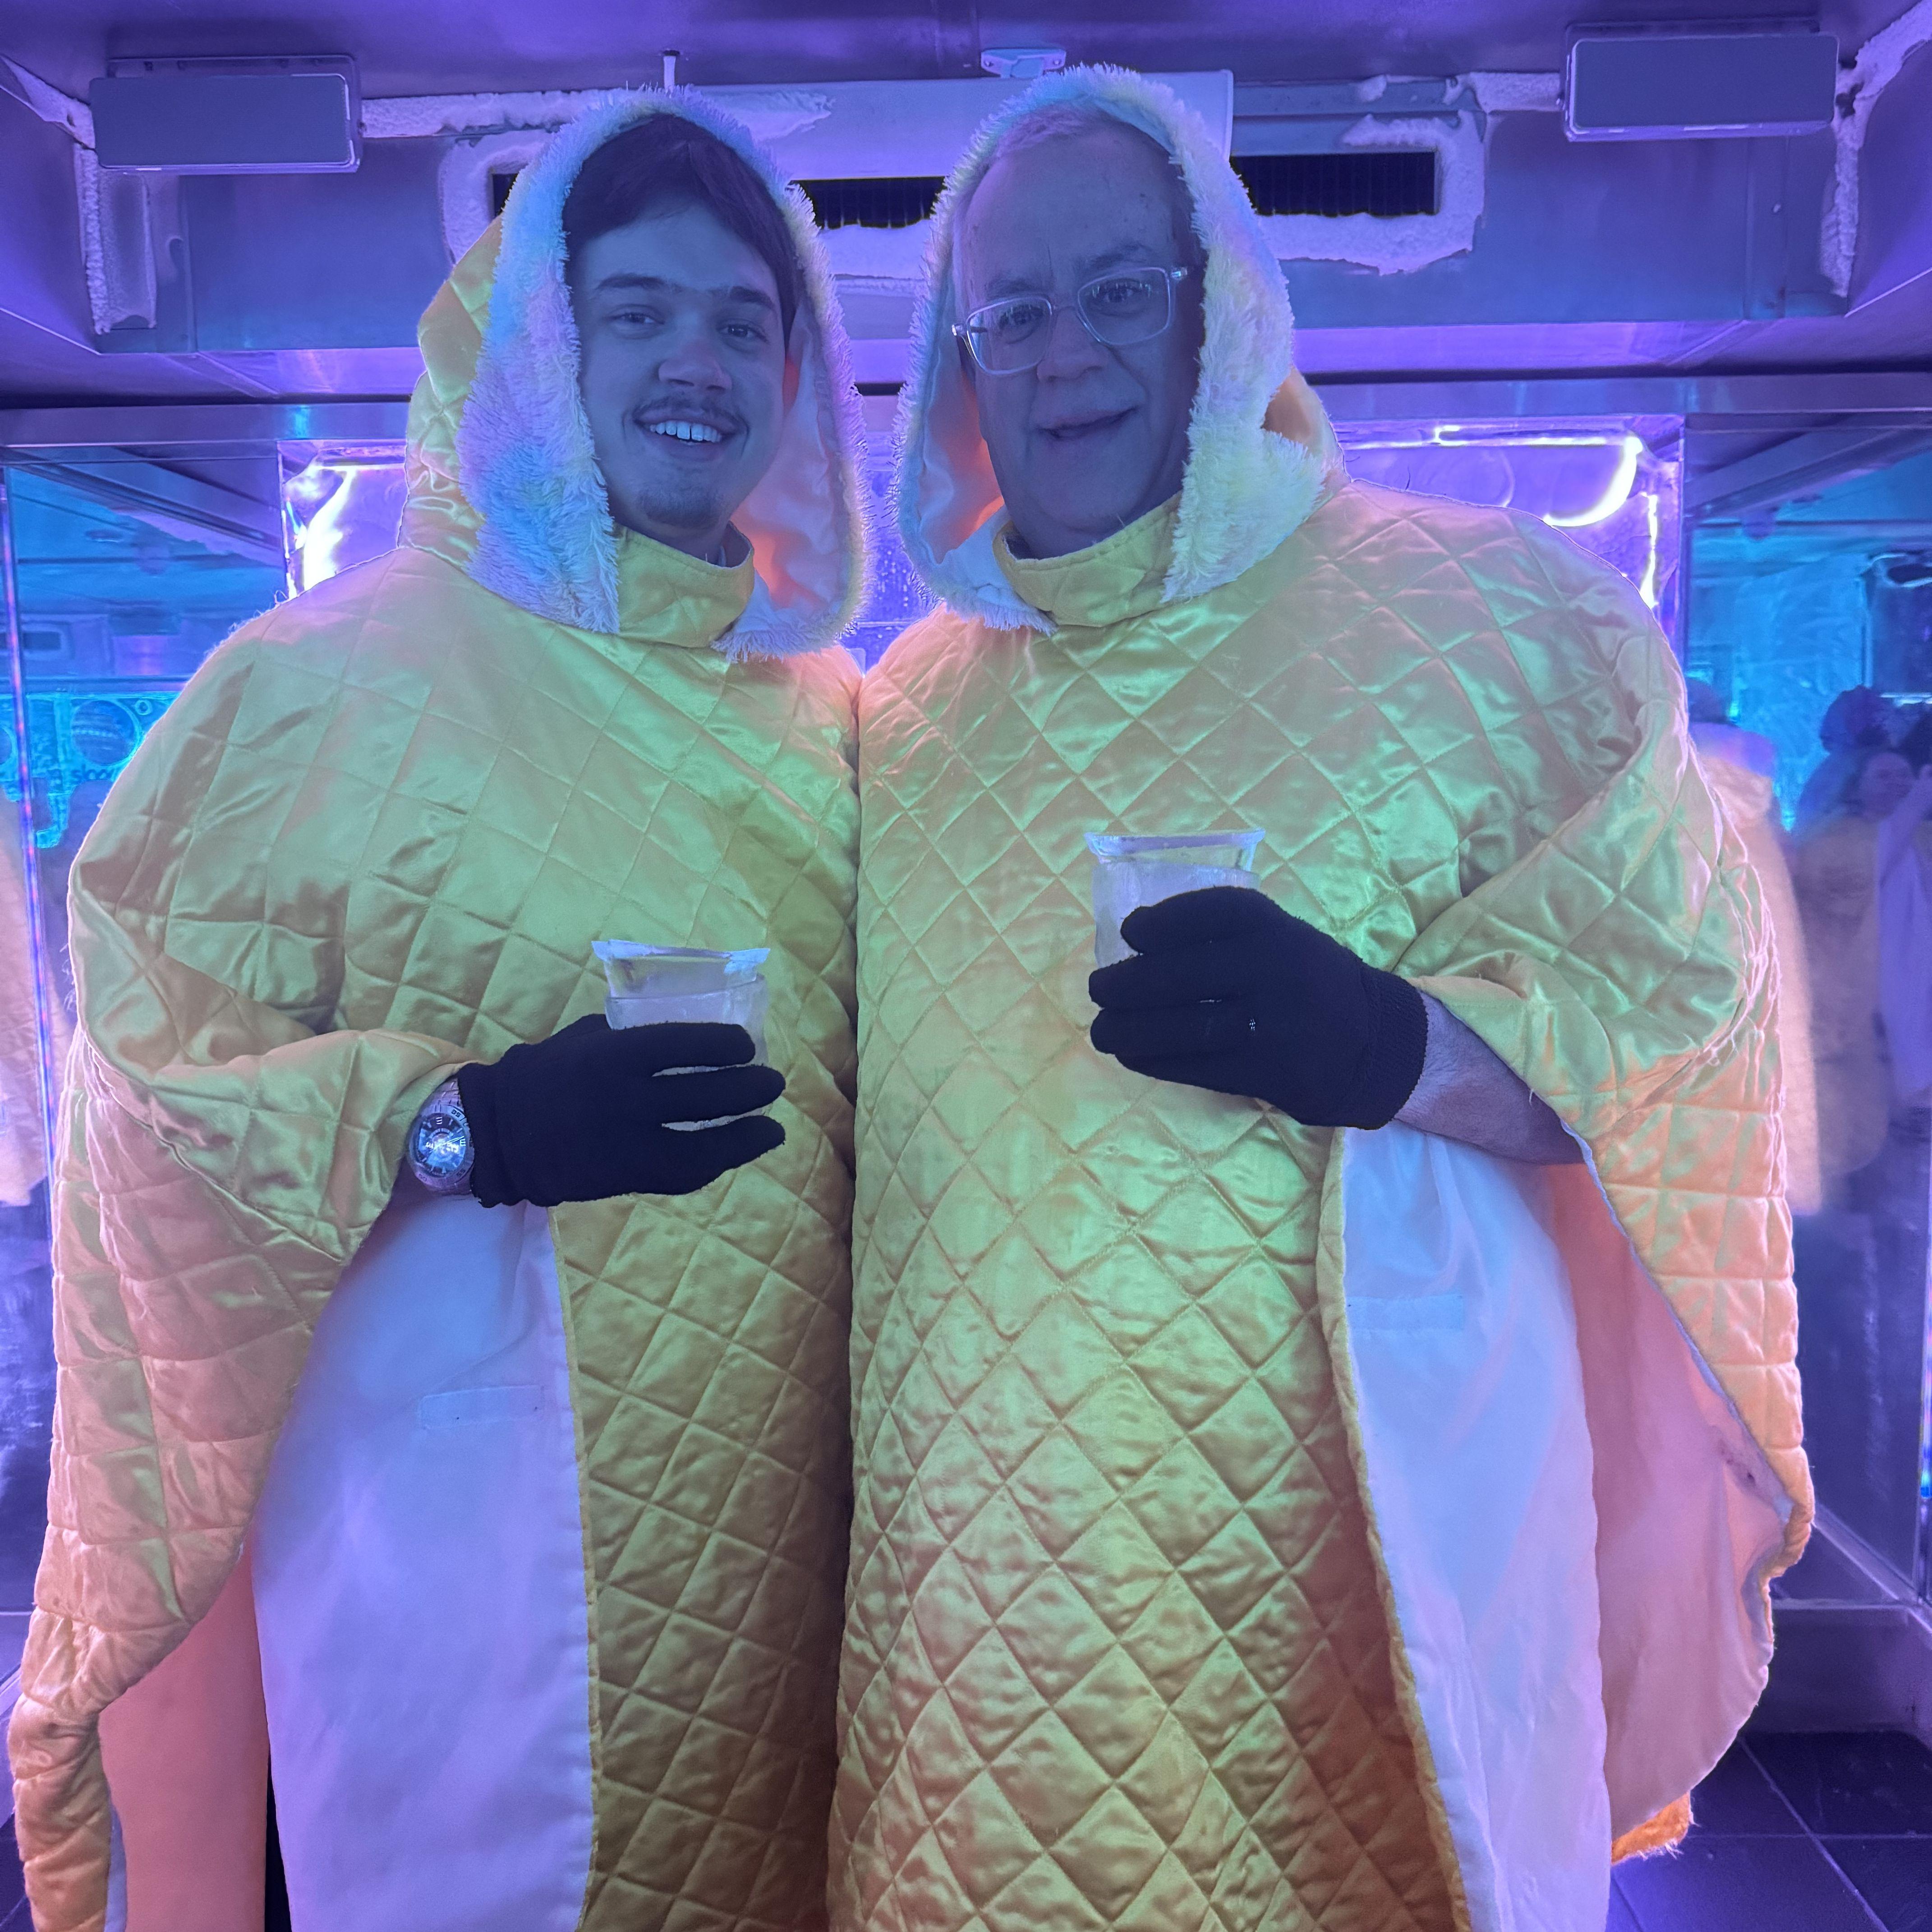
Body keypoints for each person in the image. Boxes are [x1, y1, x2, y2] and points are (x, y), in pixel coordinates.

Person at [839, 67, 1807, 1932]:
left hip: (1351, 1584)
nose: (1065, 353)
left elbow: (1686, 1023)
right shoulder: (907, 716)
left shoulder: (1512, 631)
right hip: (971, 1603)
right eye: (1013, 311)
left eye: (1119, 291)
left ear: (1222, 303)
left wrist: (1401, 1049)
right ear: (957, 360)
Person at [9, 94, 866, 1932]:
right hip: (459, 1549)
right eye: (636, 312)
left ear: (797, 375)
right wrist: (459, 1123)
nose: (695, 361)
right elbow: (146, 1103)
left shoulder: (825, 726)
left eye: (741, 320)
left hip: (778, 1540)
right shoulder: (323, 686)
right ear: (540, 350)